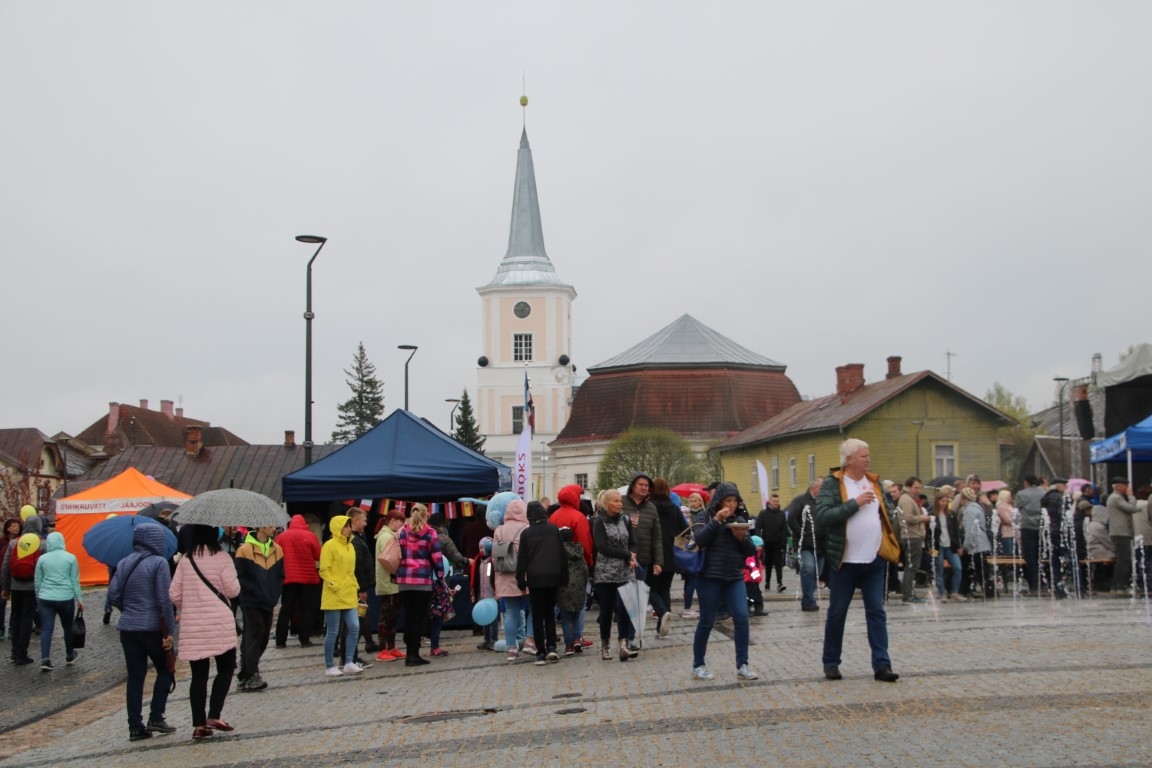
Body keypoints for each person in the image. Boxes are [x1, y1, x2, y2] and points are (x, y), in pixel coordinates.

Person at [815, 438, 899, 683]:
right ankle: (831, 662)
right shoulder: (833, 484)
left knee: (877, 612)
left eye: (868, 455)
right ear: (849, 459)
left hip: (874, 559)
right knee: (838, 612)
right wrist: (854, 503)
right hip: (844, 561)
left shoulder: (874, 482)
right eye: (863, 455)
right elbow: (823, 516)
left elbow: (887, 512)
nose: (868, 459)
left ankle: (882, 665)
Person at [170, 524, 241, 740]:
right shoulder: (222, 558)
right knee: (226, 668)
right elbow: (233, 590)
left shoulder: (186, 560)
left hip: (194, 625)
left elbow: (174, 594)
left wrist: (190, 604)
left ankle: (199, 725)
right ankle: (215, 714)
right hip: (219, 621)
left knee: (198, 676)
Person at [107, 524, 177, 741]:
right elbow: (164, 600)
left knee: (135, 677)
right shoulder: (158, 563)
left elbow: (113, 594)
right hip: (152, 628)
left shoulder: (123, 562)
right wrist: (170, 631)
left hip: (128, 628)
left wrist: (128, 610)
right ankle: (156, 715)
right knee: (166, 669)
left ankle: (135, 726)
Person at [689, 482, 757, 681]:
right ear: (719, 501)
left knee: (742, 618)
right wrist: (717, 521)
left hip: (734, 576)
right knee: (707, 621)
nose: (732, 505)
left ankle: (742, 664)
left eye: (735, 500)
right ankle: (698, 665)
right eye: (729, 500)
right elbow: (699, 539)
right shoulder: (706, 516)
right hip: (710, 577)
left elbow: (750, 551)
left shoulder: (739, 519)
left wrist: (741, 538)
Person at [516, 501, 568, 665]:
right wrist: (564, 577)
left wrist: (521, 580)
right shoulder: (553, 529)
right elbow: (562, 554)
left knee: (537, 616)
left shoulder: (526, 533)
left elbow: (522, 559)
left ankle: (540, 652)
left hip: (535, 578)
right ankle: (552, 646)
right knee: (550, 614)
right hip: (553, 576)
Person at [234, 525, 284, 692]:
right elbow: (239, 577)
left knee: (263, 637)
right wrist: (256, 591)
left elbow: (280, 575)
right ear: (261, 527)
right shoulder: (244, 550)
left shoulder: (277, 549)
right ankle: (253, 673)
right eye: (270, 525)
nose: (274, 528)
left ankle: (245, 673)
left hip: (268, 600)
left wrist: (275, 593)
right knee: (255, 633)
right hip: (251, 600)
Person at [592, 488, 637, 662]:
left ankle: (623, 645)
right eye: (616, 501)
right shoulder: (599, 521)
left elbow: (633, 542)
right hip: (605, 572)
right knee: (606, 610)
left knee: (625, 609)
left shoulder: (625, 519)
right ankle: (605, 645)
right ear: (607, 503)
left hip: (625, 571)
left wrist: (632, 554)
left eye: (620, 501)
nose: (619, 504)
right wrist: (626, 555)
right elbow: (602, 547)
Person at [395, 504, 443, 666]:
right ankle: (414, 654)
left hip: (404, 579)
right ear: (426, 515)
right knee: (419, 618)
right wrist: (441, 577)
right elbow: (437, 558)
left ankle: (409, 652)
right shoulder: (430, 533)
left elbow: (396, 553)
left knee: (408, 617)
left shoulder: (402, 532)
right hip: (422, 580)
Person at [549, 484, 594, 649]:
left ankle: (567, 641)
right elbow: (586, 544)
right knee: (579, 604)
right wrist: (589, 564)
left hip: (557, 565)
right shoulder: (579, 517)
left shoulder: (553, 516)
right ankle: (578, 637)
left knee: (561, 603)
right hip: (576, 565)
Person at [621, 472, 662, 653]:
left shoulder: (651, 508)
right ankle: (622, 636)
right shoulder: (621, 502)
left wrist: (658, 561)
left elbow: (657, 537)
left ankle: (631, 637)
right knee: (623, 600)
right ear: (633, 486)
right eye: (641, 485)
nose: (644, 488)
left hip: (643, 560)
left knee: (636, 600)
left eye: (647, 486)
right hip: (622, 559)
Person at [319, 514, 363, 677]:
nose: (348, 529)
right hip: (334, 595)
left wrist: (355, 585)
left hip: (349, 593)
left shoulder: (350, 546)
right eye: (345, 526)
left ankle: (349, 662)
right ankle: (330, 665)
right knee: (333, 631)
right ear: (337, 528)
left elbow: (351, 570)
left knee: (354, 627)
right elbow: (324, 569)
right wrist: (334, 585)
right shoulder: (329, 545)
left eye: (349, 526)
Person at [33, 531, 83, 671]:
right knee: (67, 627)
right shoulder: (71, 558)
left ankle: (45, 659)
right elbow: (74, 580)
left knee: (46, 629)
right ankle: (69, 654)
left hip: (45, 598)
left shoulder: (42, 559)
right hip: (65, 597)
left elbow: (38, 581)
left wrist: (39, 596)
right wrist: (79, 599)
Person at [2, 515, 47, 665]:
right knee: (27, 618)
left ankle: (14, 652)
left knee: (15, 617)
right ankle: (23, 653)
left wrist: (5, 587)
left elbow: (6, 566)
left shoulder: (15, 542)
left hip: (15, 586)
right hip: (32, 586)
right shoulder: (42, 544)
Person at [493, 498, 531, 661]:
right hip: (524, 575)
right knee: (533, 610)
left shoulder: (499, 530)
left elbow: (495, 558)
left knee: (511, 613)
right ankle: (530, 641)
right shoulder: (526, 528)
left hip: (505, 576)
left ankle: (511, 649)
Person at [648, 478, 682, 637]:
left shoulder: (649, 507)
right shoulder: (675, 509)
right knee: (664, 590)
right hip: (670, 554)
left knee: (649, 588)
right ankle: (661, 627)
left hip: (653, 554)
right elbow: (685, 531)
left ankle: (662, 613)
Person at [374, 509, 407, 661]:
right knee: (386, 617)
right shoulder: (387, 537)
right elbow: (390, 559)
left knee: (392, 617)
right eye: (401, 522)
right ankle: (382, 649)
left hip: (391, 582)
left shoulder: (387, 535)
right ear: (393, 521)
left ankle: (391, 647)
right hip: (389, 583)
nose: (402, 525)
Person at [788, 480, 825, 612]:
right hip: (805, 545)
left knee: (817, 572)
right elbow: (791, 518)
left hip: (821, 544)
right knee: (808, 568)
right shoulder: (800, 501)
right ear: (814, 488)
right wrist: (801, 533)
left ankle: (807, 598)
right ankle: (809, 600)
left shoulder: (822, 502)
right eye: (822, 487)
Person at [556, 527, 590, 656]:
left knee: (565, 617)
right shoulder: (578, 550)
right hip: (578, 587)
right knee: (577, 614)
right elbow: (585, 569)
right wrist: (584, 582)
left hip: (564, 588)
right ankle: (577, 639)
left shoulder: (558, 552)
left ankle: (569, 645)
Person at [895, 477, 929, 603]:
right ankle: (908, 594)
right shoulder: (907, 499)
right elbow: (908, 518)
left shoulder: (908, 498)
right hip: (911, 535)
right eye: (916, 487)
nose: (918, 490)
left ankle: (908, 592)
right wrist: (922, 518)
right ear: (909, 486)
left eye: (920, 487)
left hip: (912, 535)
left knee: (911, 565)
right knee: (911, 566)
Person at [960, 488, 993, 599]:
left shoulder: (969, 510)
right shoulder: (978, 507)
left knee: (970, 568)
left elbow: (970, 531)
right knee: (982, 569)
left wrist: (966, 546)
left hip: (975, 545)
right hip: (983, 544)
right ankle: (989, 591)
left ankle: (965, 591)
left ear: (964, 498)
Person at [1107, 477, 1139, 594]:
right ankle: (1119, 586)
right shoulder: (1116, 498)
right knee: (1124, 560)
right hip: (1120, 533)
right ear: (1118, 486)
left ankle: (1117, 585)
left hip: (1120, 532)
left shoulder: (1116, 498)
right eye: (1125, 485)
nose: (1127, 488)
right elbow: (1132, 508)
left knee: (1122, 560)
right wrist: (1131, 496)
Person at [932, 487, 964, 602]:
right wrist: (929, 547)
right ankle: (942, 593)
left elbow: (956, 531)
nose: (945, 503)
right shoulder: (933, 515)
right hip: (938, 546)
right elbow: (929, 533)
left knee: (958, 568)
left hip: (951, 545)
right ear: (937, 501)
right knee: (939, 569)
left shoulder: (951, 514)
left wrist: (959, 546)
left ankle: (954, 591)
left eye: (946, 501)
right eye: (942, 501)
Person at [1040, 478, 1070, 598]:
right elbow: (1063, 515)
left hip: (1049, 533)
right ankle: (1079, 588)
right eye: (1064, 485)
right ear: (1058, 486)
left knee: (1054, 562)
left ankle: (1057, 589)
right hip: (1060, 533)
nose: (1066, 488)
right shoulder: (1060, 498)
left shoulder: (1045, 498)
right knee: (1070, 559)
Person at [1016, 474, 1045, 594]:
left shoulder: (1021, 494)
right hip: (1041, 527)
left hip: (1027, 527)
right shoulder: (1043, 492)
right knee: (1040, 555)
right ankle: (1043, 582)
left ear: (1026, 482)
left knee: (1030, 557)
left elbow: (1016, 507)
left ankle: (1034, 584)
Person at [470, 536, 499, 652]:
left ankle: (494, 640)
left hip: (491, 595)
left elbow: (493, 578)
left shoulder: (492, 561)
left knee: (494, 620)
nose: (482, 550)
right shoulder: (478, 561)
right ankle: (487, 639)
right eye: (480, 548)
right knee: (485, 621)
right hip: (481, 595)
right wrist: (473, 593)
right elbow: (474, 579)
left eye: (484, 548)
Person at [755, 493, 788, 594]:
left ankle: (779, 583)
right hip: (767, 543)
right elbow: (758, 527)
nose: (776, 503)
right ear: (770, 501)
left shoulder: (781, 514)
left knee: (778, 564)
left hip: (778, 543)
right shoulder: (763, 513)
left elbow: (784, 528)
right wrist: (759, 540)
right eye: (774, 501)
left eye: (777, 501)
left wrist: (783, 540)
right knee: (768, 564)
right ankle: (767, 583)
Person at [681, 493, 706, 618]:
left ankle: (699, 607)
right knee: (690, 579)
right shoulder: (686, 514)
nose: (693, 503)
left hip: (700, 549)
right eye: (691, 501)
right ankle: (687, 607)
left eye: (695, 501)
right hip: (689, 548)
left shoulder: (704, 514)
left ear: (700, 502)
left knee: (696, 580)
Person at [0, 516, 21, 641]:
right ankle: (0, 628)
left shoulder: (22, 541)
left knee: (16, 605)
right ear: (8, 528)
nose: (16, 527)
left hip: (16, 577)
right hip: (2, 576)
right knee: (1, 603)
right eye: (13, 525)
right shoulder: (2, 542)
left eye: (18, 525)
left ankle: (12, 628)